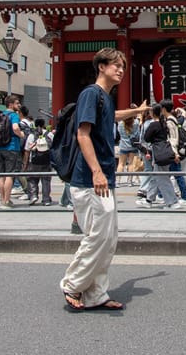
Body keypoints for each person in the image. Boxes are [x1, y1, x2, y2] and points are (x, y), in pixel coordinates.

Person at [60, 47, 149, 311]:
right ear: (101, 66)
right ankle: (72, 283)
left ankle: (96, 294)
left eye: (122, 66)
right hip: (89, 179)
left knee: (108, 239)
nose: (120, 70)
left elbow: (113, 117)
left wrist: (136, 111)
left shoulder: (105, 98)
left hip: (102, 178)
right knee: (97, 237)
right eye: (115, 65)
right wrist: (97, 171)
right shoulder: (91, 94)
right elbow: (82, 134)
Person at [136, 103, 181, 209]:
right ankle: (148, 200)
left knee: (162, 178)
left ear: (152, 113)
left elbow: (146, 138)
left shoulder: (153, 124)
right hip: (166, 151)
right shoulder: (164, 123)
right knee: (156, 177)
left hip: (158, 152)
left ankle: (172, 202)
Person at [0, 95, 24, 209]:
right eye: (17, 103)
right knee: (10, 175)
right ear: (11, 104)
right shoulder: (14, 115)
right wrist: (21, 134)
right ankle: (7, 201)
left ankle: (2, 200)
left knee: (1, 176)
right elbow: (15, 128)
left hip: (0, 148)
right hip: (12, 148)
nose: (19, 105)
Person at [160, 99, 186, 206]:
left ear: (163, 109)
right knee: (169, 174)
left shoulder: (169, 121)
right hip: (173, 151)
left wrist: (174, 153)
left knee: (176, 175)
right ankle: (161, 195)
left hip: (173, 152)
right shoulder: (173, 119)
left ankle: (185, 197)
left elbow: (173, 139)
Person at [24, 118, 54, 205]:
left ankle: (33, 196)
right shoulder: (50, 134)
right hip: (46, 161)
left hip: (34, 161)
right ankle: (46, 199)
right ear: (44, 124)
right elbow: (54, 148)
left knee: (32, 179)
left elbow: (27, 150)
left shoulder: (32, 135)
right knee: (46, 180)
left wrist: (25, 164)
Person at [116, 105, 140, 186]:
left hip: (123, 145)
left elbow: (119, 132)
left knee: (121, 164)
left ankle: (118, 181)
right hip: (132, 145)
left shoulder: (120, 123)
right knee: (131, 163)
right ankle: (129, 181)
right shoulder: (136, 123)